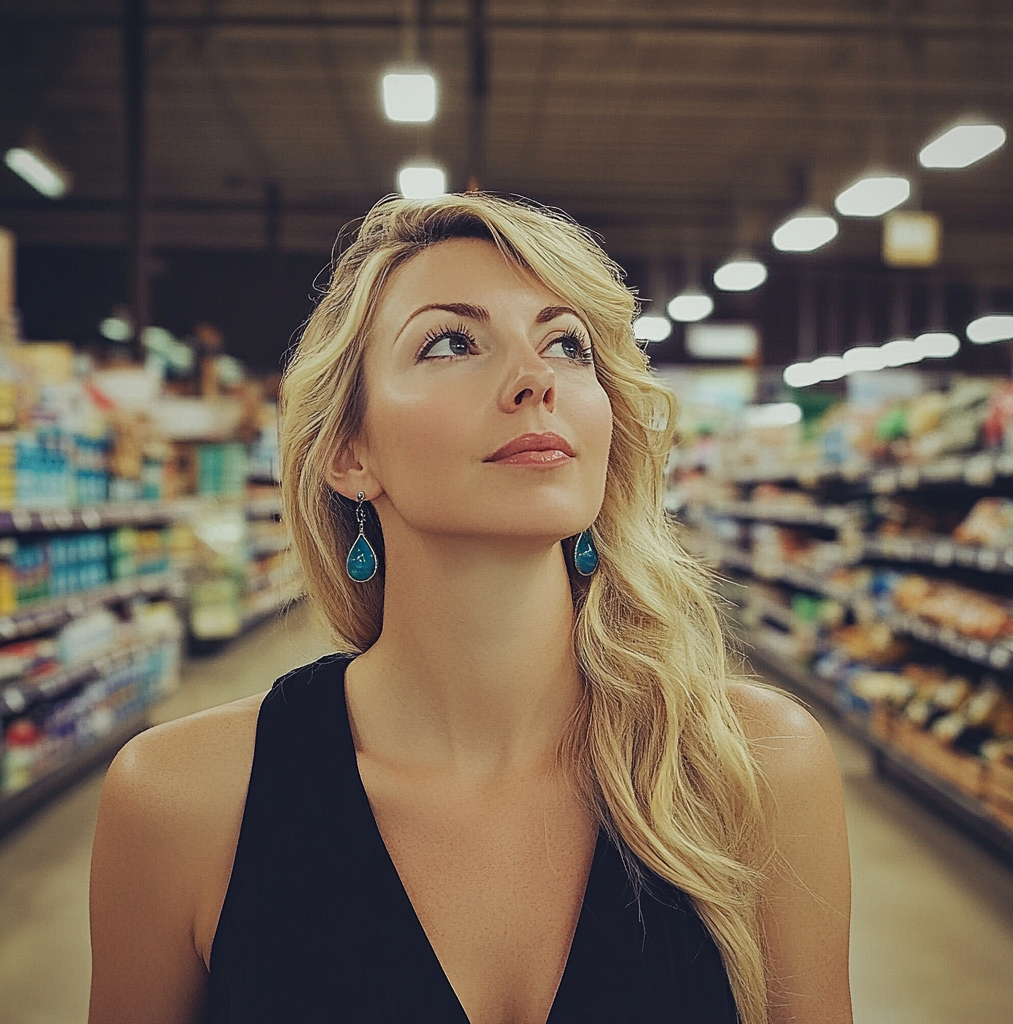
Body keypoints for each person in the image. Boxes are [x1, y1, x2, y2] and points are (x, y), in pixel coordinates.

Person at [88, 194, 852, 1024]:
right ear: (350, 450)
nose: (538, 379)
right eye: (451, 342)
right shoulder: (183, 803)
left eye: (567, 343)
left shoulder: (755, 772)